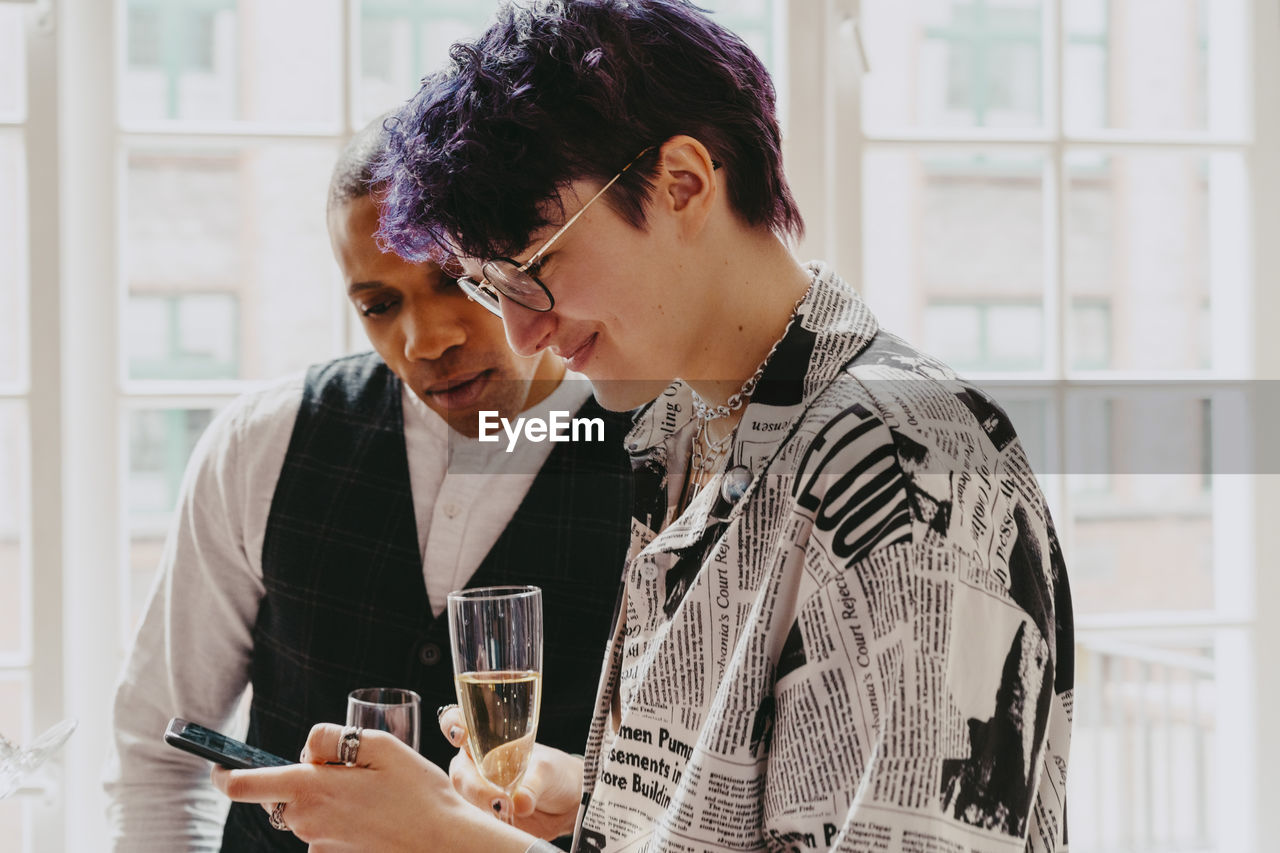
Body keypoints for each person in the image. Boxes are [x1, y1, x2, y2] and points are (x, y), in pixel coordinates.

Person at [213, 2, 1074, 851]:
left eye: (535, 268)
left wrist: (450, 840)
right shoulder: (679, 432)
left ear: (683, 184)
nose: (521, 333)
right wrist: (601, 802)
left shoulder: (912, 468)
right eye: (490, 286)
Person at [104, 117, 634, 852]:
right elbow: (158, 760)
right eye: (380, 305)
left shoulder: (664, 454)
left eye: (456, 281)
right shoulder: (262, 440)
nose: (426, 341)